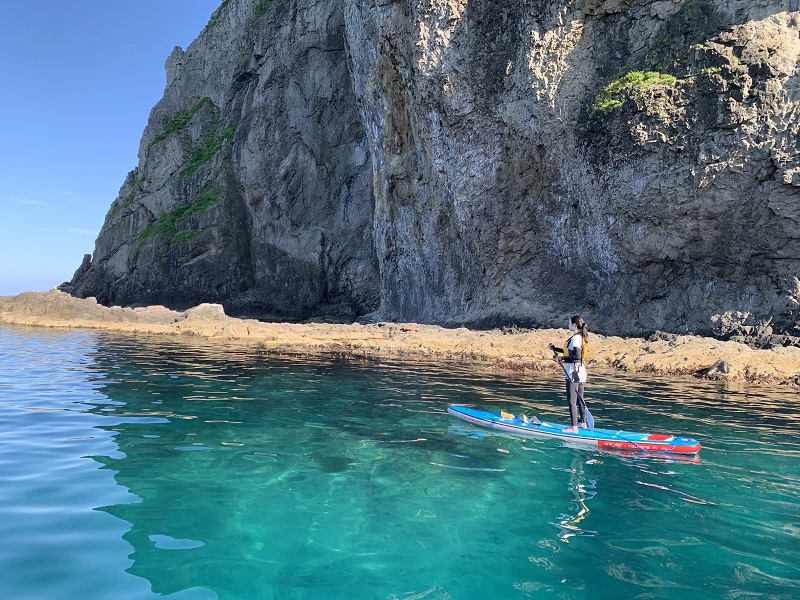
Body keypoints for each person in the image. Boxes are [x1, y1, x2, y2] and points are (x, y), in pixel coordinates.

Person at [549, 315, 589, 433]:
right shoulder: (580, 337)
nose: (567, 324)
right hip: (581, 371)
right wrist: (554, 348)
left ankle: (574, 427)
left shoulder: (576, 338)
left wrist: (562, 359)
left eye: (569, 322)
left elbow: (576, 356)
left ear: (574, 325)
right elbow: (571, 352)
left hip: (574, 371)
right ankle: (583, 424)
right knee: (580, 399)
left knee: (572, 400)